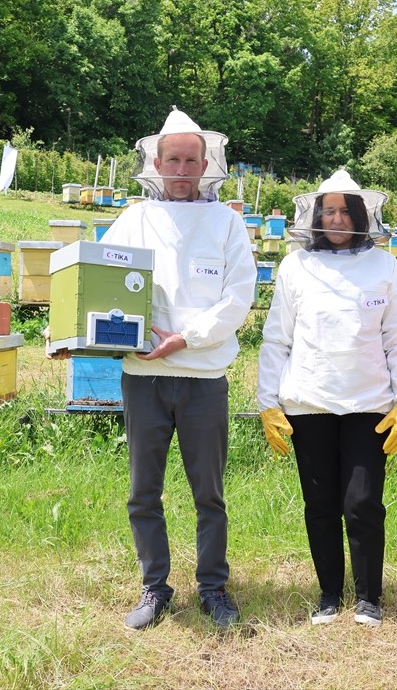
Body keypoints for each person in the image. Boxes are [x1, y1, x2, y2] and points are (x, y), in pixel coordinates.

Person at [101, 107, 256, 630]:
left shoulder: (228, 222)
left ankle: (213, 588)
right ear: (157, 162)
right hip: (143, 376)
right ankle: (154, 587)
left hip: (204, 376)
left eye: (192, 160)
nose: (183, 170)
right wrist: (72, 336)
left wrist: (185, 339)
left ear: (206, 163)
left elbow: (238, 299)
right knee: (144, 490)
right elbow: (98, 282)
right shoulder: (133, 219)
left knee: (207, 492)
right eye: (174, 160)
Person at [256, 169, 397, 627]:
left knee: (363, 502)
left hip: (370, 405)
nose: (337, 218)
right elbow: (276, 339)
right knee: (320, 503)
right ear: (316, 215)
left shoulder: (384, 266)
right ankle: (329, 594)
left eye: (346, 210)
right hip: (309, 403)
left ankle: (369, 597)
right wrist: (269, 400)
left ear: (362, 215)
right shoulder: (295, 266)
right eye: (328, 210)